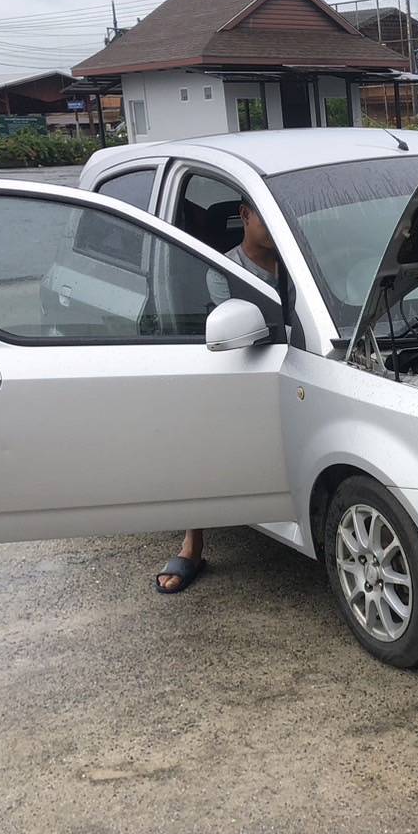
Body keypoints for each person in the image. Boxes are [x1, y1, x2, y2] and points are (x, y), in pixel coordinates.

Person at [156, 199, 279, 594]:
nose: (276, 228)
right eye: (266, 218)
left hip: (294, 364)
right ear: (245, 215)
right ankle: (193, 542)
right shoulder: (225, 270)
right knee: (197, 434)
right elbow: (235, 332)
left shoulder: (295, 261)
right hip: (241, 363)